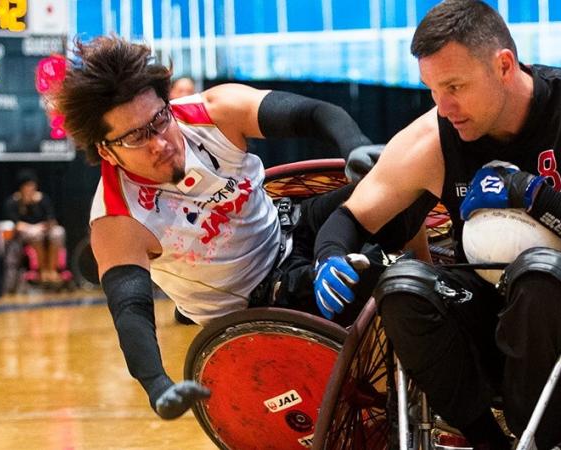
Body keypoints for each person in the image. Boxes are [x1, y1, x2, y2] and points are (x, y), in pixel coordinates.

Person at [311, 1, 561, 448]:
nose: (444, 106)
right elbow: (349, 216)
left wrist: (536, 197)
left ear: (504, 65)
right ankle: (488, 442)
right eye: (432, 89)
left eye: (455, 85)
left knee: (539, 274)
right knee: (402, 286)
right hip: (487, 303)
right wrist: (329, 256)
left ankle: (538, 435)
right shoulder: (433, 137)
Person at [51, 35, 429, 421]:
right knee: (393, 284)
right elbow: (130, 312)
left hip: (292, 224)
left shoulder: (214, 110)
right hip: (259, 301)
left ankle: (440, 280)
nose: (160, 142)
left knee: (405, 184)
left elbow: (315, 113)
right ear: (104, 150)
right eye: (135, 136)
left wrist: (354, 145)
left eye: (159, 120)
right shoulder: (118, 220)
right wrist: (157, 384)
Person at [2, 169, 67, 286]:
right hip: (25, 233)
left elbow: (52, 220)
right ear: (21, 188)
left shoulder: (42, 199)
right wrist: (33, 227)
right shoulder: (13, 201)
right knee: (35, 234)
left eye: (32, 186)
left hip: (43, 229)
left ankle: (52, 270)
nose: (30, 189)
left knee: (58, 232)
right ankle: (41, 271)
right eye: (27, 186)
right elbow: (16, 224)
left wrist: (42, 225)